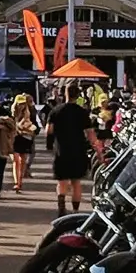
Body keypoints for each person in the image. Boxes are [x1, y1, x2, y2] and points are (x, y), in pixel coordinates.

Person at [46, 82, 98, 217]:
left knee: (62, 181)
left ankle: (61, 208)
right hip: (78, 150)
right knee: (76, 182)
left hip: (61, 149)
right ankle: (75, 211)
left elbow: (49, 130)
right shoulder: (82, 112)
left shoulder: (56, 110)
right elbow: (90, 133)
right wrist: (97, 149)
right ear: (78, 95)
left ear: (65, 94)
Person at [10, 92, 37, 193]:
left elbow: (35, 126)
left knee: (22, 160)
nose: (20, 106)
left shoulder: (29, 113)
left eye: (22, 104)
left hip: (26, 137)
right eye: (19, 103)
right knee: (15, 160)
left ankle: (20, 181)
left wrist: (31, 128)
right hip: (14, 138)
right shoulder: (11, 114)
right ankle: (17, 182)